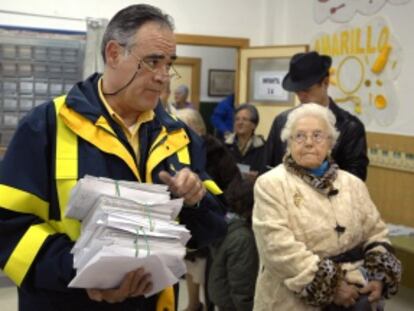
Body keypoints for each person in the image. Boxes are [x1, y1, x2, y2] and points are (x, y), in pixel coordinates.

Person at [0, 4, 227, 311]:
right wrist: (82, 273)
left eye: (169, 63)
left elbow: (212, 229)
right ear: (113, 54)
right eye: (152, 61)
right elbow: (9, 228)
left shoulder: (179, 137)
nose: (163, 77)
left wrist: (195, 200)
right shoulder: (46, 126)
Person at [252, 103, 401, 310]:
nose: (309, 143)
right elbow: (277, 247)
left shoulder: (352, 184)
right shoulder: (271, 184)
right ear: (289, 143)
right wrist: (331, 286)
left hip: (357, 294)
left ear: (330, 143)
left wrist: (379, 277)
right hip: (291, 299)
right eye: (300, 136)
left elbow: (376, 233)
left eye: (318, 135)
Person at [263, 51, 369, 180]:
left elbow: (355, 180)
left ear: (325, 82)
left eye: (306, 90)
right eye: (297, 91)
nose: (301, 96)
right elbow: (267, 169)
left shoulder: (350, 126)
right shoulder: (282, 121)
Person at [175, 108, 241, 311]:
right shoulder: (177, 150)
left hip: (213, 217)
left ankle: (207, 305)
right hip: (187, 219)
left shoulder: (216, 151)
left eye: (184, 126)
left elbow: (232, 184)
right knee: (190, 267)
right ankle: (193, 304)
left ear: (199, 128)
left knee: (207, 271)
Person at [208, 178, 259, 311]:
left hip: (222, 294)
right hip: (233, 304)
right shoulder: (243, 239)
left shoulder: (225, 222)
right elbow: (242, 286)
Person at [225, 103, 265, 181]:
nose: (240, 123)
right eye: (237, 119)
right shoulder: (225, 145)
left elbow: (267, 172)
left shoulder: (263, 147)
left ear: (254, 125)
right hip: (230, 189)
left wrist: (258, 176)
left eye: (244, 119)